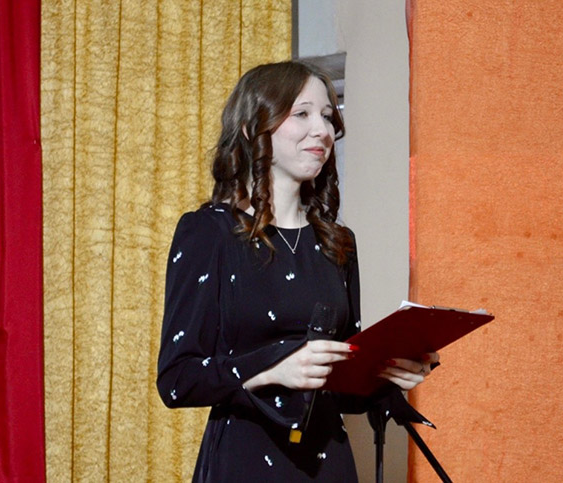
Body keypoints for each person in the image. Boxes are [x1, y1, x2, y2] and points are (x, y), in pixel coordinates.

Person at [156, 60, 439, 482]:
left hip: (330, 465)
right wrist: (272, 369)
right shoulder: (208, 233)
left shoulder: (339, 242)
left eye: (326, 116)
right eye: (302, 114)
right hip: (245, 463)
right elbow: (177, 380)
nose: (322, 130)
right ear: (252, 128)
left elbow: (341, 387)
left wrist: (387, 374)